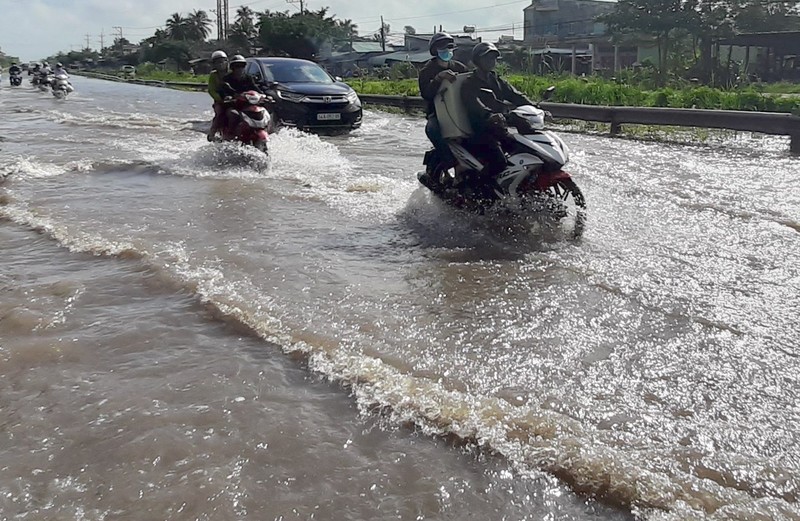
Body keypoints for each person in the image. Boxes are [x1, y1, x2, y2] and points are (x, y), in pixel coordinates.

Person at [461, 41, 534, 186]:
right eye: (487, 58)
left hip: (499, 128)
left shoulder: (496, 80)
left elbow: (515, 95)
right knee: (499, 162)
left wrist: (535, 107)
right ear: (477, 60)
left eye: (493, 58)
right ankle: (480, 191)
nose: (491, 61)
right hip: (480, 130)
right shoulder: (470, 83)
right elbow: (473, 103)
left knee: (526, 150)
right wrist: (488, 114)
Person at [418, 32, 469, 186]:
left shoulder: (459, 67)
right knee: (432, 130)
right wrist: (439, 78)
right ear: (435, 50)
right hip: (438, 113)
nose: (446, 50)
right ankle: (448, 163)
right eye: (442, 47)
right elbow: (426, 94)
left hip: (460, 111)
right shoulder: (427, 70)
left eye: (449, 47)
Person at [218, 55, 264, 139]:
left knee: (263, 112)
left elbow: (255, 88)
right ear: (233, 68)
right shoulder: (227, 79)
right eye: (237, 66)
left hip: (247, 105)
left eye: (242, 66)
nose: (240, 68)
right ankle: (229, 136)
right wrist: (227, 97)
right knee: (233, 114)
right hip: (234, 105)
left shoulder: (248, 78)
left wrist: (264, 95)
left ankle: (266, 130)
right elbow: (223, 91)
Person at [207, 50, 229, 141]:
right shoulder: (213, 75)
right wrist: (219, 99)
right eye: (217, 62)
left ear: (226, 61)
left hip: (234, 98)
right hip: (220, 100)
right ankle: (212, 133)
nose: (220, 64)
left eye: (222, 61)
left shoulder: (232, 72)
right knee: (220, 113)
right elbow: (211, 90)